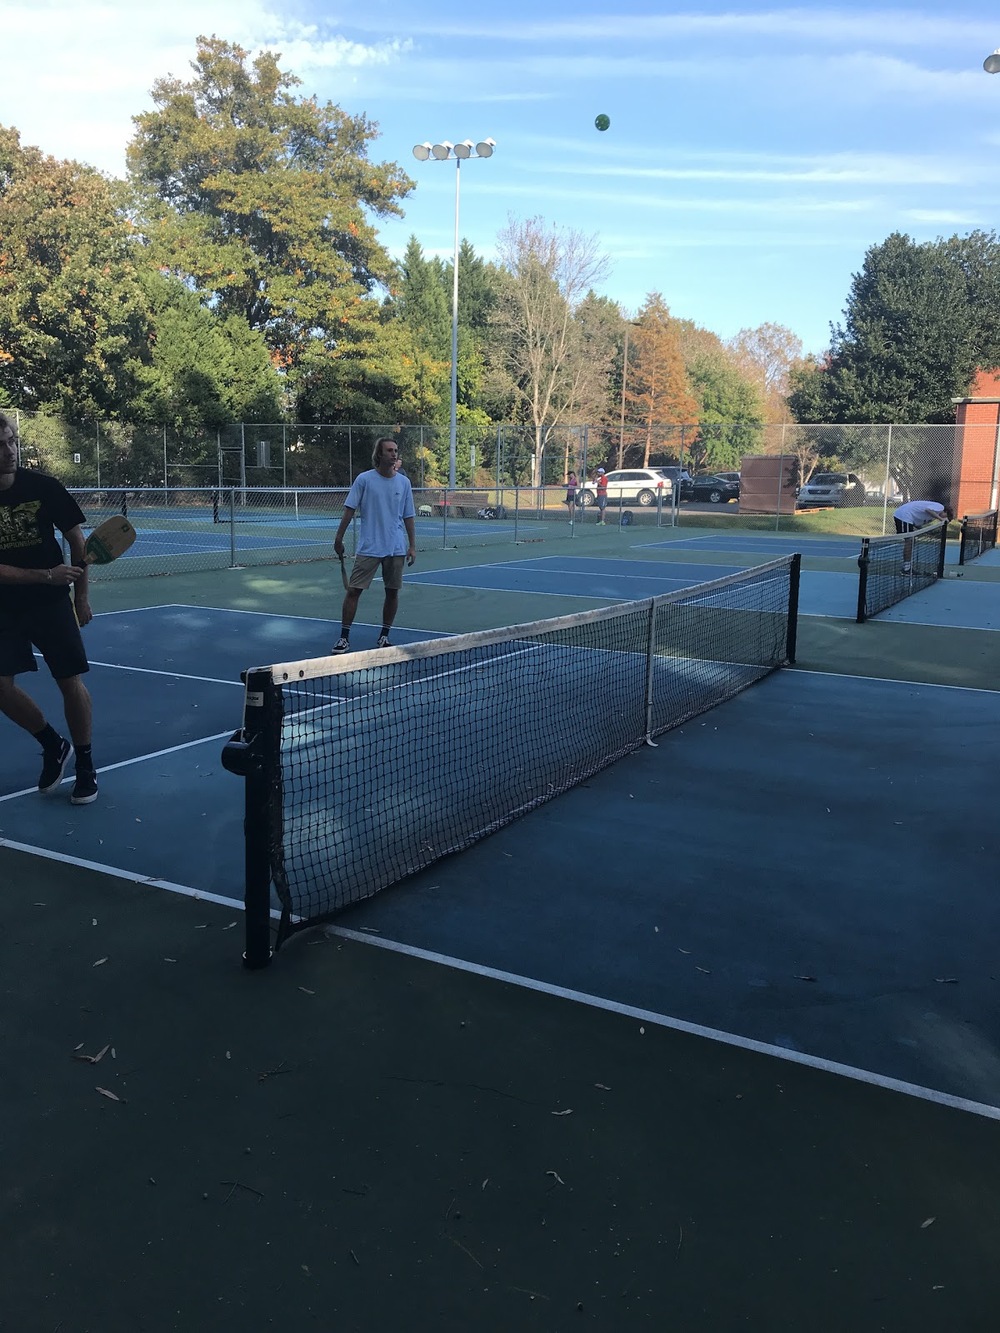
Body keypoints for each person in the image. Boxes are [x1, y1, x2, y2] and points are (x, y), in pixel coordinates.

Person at [0, 413, 98, 803]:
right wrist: (45, 575)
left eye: (11, 442)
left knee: (69, 682)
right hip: (5, 606)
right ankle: (52, 743)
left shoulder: (45, 487)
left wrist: (81, 596)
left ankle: (86, 765)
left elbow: (79, 543)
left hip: (51, 605)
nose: (9, 452)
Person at [332, 437, 416, 652]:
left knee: (392, 592)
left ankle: (384, 636)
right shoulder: (364, 480)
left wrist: (412, 545)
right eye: (389, 450)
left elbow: (408, 516)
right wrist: (338, 538)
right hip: (369, 547)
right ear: (379, 454)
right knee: (353, 591)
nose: (394, 454)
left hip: (396, 548)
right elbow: (349, 509)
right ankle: (343, 637)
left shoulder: (404, 483)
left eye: (396, 450)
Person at [892, 498, 953, 573]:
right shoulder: (940, 507)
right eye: (945, 516)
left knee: (911, 541)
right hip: (904, 515)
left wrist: (927, 532)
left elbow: (918, 524)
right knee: (909, 541)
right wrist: (941, 519)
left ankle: (907, 567)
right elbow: (928, 510)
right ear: (945, 511)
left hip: (906, 517)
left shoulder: (932, 516)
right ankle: (906, 568)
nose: (943, 518)